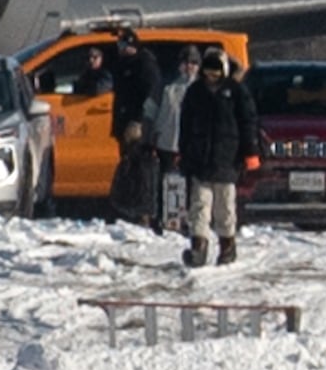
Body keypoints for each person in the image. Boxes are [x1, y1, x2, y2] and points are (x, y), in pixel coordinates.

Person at [177, 46, 260, 267]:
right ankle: (198, 248)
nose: (211, 76)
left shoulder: (236, 92)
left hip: (227, 158)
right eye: (208, 71)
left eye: (215, 72)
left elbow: (248, 123)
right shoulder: (195, 92)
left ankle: (227, 247)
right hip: (199, 159)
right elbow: (185, 125)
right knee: (199, 205)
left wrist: (251, 152)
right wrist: (183, 153)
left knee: (224, 207)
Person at [106, 25, 163, 227]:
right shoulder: (122, 65)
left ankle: (143, 214)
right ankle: (130, 211)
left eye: (126, 45)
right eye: (121, 45)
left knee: (142, 172)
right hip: (124, 125)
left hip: (139, 128)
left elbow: (150, 96)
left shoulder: (145, 65)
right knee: (129, 169)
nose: (123, 49)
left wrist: (139, 122)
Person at [149, 44, 197, 232]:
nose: (189, 67)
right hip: (167, 142)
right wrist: (149, 137)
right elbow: (151, 112)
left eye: (194, 62)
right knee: (164, 183)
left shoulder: (201, 88)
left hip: (193, 145)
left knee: (192, 185)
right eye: (186, 62)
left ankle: (189, 221)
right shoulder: (166, 86)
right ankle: (162, 217)